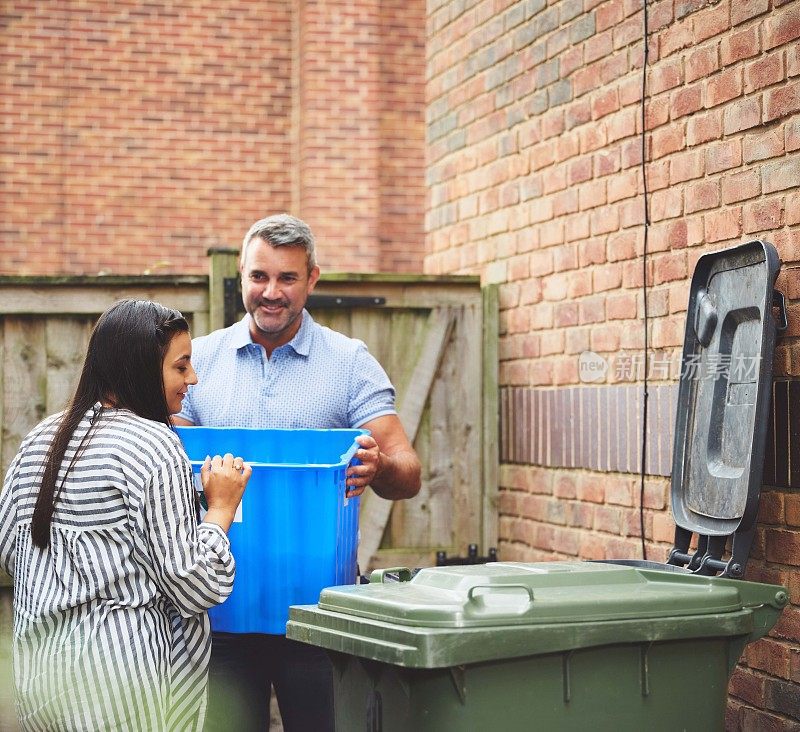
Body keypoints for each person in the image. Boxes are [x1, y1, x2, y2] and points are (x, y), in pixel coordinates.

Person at [173, 213, 422, 731]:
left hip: (318, 610)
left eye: (288, 278)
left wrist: (377, 465)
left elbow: (409, 471)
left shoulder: (348, 362)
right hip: (218, 605)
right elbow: (171, 461)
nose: (271, 292)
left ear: (312, 279)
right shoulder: (200, 362)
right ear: (241, 275)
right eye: (259, 277)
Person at [0, 299, 252, 731]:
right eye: (181, 366)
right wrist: (220, 509)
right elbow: (194, 586)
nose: (192, 378)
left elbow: (11, 552)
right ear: (140, 368)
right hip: (117, 685)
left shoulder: (40, 438)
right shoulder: (153, 443)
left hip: (37, 677)